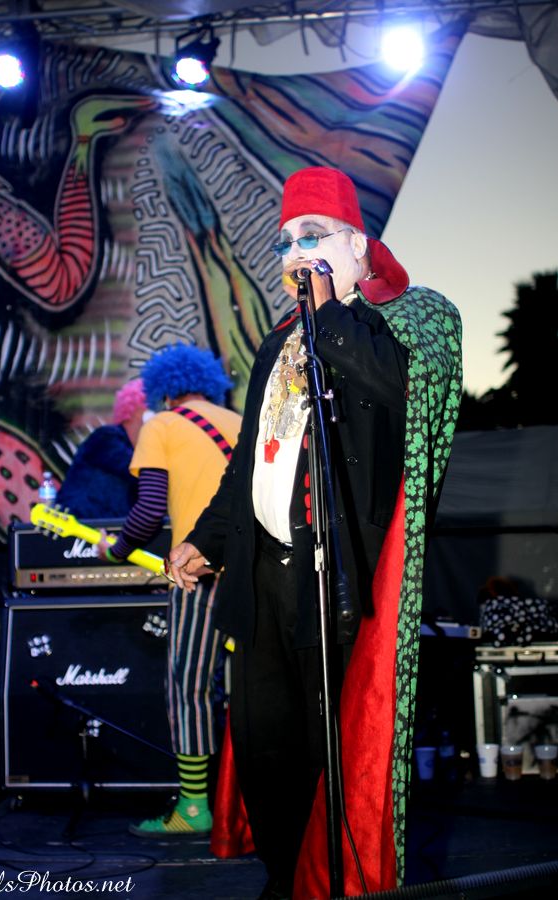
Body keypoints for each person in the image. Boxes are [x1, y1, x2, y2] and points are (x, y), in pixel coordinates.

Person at [168, 166, 463, 898]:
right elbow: (250, 462)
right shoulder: (275, 344)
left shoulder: (412, 316)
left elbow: (397, 388)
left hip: (336, 577)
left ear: (358, 246)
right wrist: (207, 538)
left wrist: (326, 312)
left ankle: (333, 884)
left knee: (328, 746)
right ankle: (284, 881)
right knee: (266, 751)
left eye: (314, 236)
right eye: (287, 240)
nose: (297, 251)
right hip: (262, 578)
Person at [98, 344, 241, 836]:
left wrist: (116, 550)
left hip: (198, 571)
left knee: (189, 685)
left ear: (163, 389)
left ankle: (195, 807)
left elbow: (147, 512)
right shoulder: (238, 421)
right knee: (247, 687)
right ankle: (245, 802)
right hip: (254, 573)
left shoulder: (162, 424)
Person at [55, 378, 147, 519]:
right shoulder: (107, 437)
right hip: (77, 524)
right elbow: (135, 467)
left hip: (105, 529)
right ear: (137, 410)